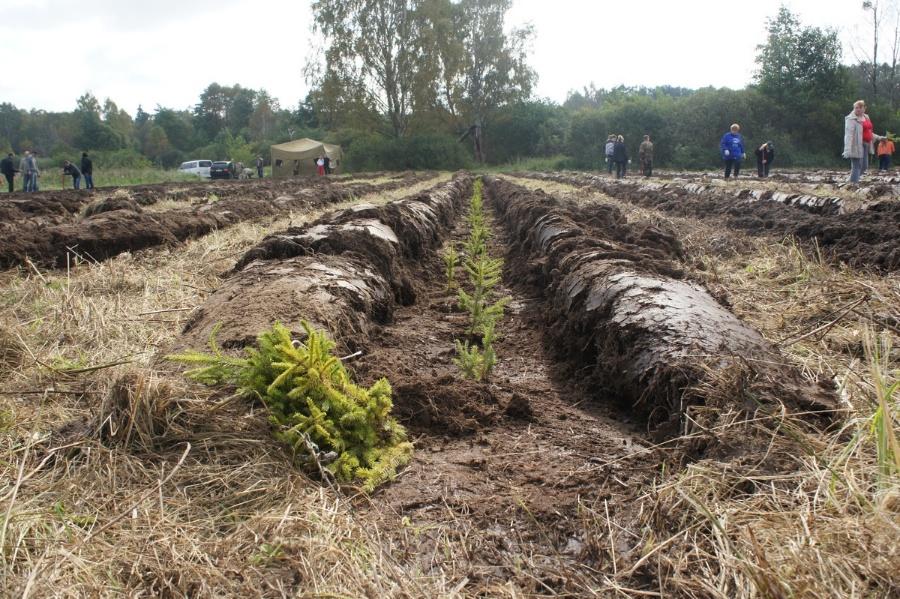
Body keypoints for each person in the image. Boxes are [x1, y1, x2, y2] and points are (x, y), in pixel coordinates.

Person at [843, 100, 869, 183]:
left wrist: (880, 138)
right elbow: (848, 135)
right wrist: (847, 150)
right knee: (857, 166)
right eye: (856, 108)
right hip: (856, 145)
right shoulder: (851, 119)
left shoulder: (866, 117)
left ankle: (851, 180)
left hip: (865, 144)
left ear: (864, 108)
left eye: (860, 107)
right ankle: (853, 184)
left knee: (864, 166)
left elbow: (868, 132)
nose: (858, 109)